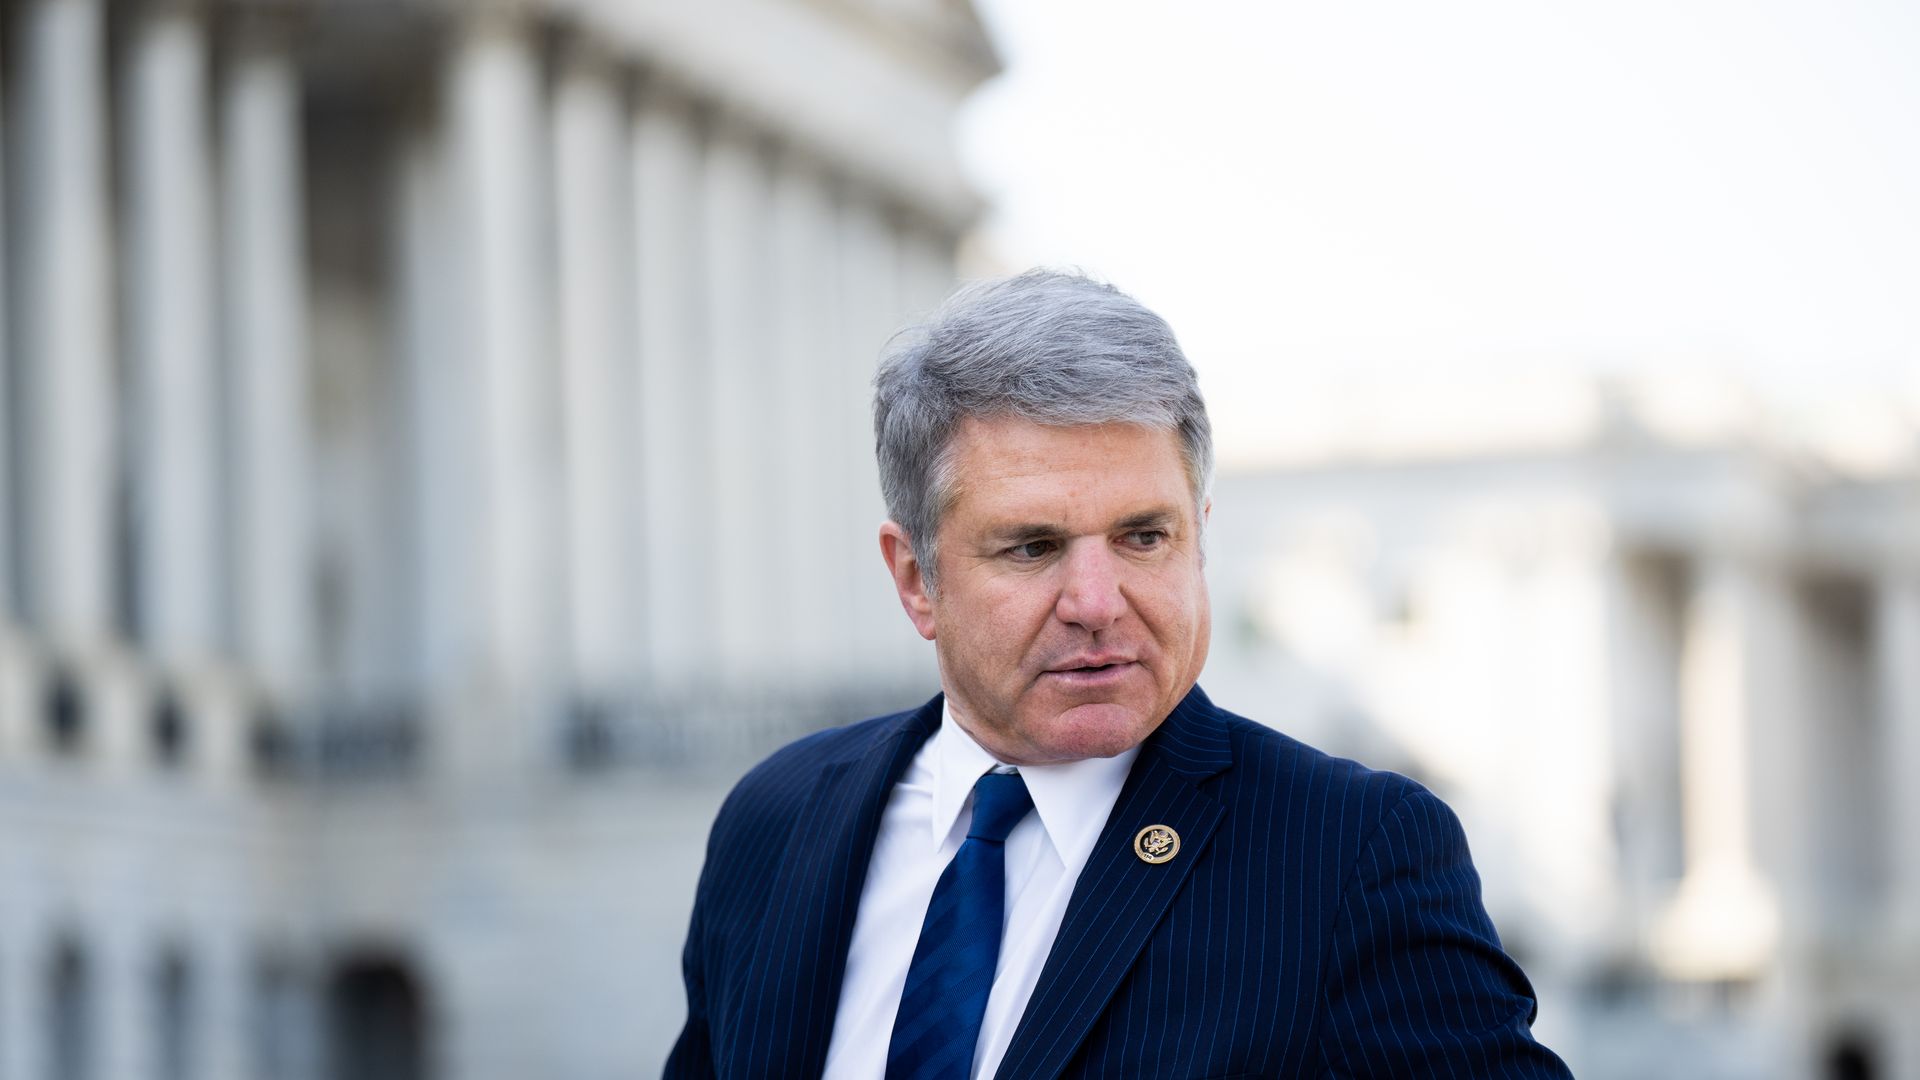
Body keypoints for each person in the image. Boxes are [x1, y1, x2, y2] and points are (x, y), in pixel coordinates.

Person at [665, 270, 1571, 1079]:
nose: (1098, 601)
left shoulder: (1349, 857)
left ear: (1199, 537)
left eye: (1144, 536)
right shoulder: (776, 821)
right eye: (1032, 547)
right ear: (917, 580)